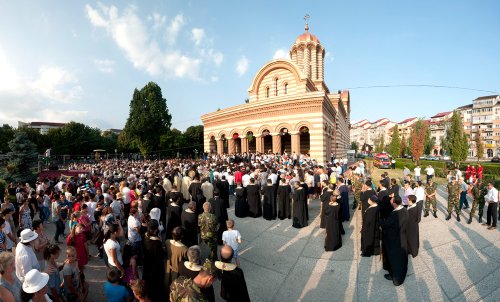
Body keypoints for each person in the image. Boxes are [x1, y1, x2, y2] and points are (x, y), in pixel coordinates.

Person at [380, 196, 408, 286]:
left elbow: (386, 224)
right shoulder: (405, 210)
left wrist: (381, 221)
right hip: (402, 237)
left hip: (395, 240)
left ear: (395, 204)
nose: (391, 203)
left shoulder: (394, 215)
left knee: (395, 260)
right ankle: (399, 275)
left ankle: (396, 278)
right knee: (402, 259)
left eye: (391, 202)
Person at [142, 220, 166, 302]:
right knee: (155, 285)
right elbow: (161, 255)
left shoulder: (145, 235)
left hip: (147, 263)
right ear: (156, 229)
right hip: (155, 267)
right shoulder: (157, 242)